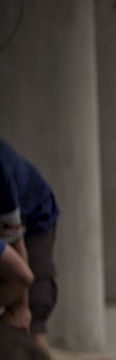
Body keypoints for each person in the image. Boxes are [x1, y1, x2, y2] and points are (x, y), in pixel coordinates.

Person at [1, 139, 59, 347]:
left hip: (34, 217)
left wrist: (22, 306)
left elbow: (19, 257)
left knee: (32, 315)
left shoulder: (2, 172)